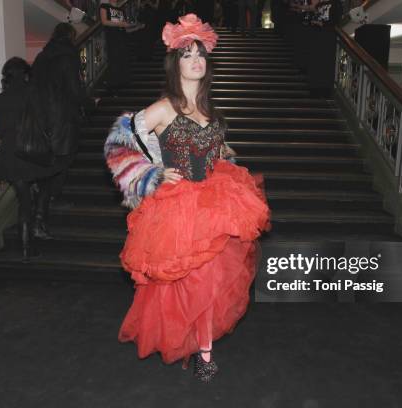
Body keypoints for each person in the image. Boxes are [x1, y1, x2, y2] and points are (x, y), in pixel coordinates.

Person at [104, 13, 270, 382]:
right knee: (185, 284)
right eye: (186, 54)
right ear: (174, 62)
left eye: (200, 54)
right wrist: (151, 174)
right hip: (178, 208)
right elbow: (119, 141)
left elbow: (212, 146)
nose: (195, 60)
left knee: (209, 281)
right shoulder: (164, 107)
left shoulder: (211, 110)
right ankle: (192, 344)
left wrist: (222, 153)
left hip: (213, 202)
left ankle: (204, 350)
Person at [0, 57, 58, 261]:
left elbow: (0, 130)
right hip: (31, 152)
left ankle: (25, 246)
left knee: (23, 201)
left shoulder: (1, 98)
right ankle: (32, 237)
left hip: (11, 154)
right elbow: (45, 121)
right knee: (46, 182)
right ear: (25, 73)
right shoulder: (33, 93)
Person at [28, 23, 83, 239]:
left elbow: (33, 85)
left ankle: (49, 198)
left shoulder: (42, 57)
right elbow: (73, 87)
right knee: (58, 163)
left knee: (52, 163)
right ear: (70, 36)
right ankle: (41, 216)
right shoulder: (68, 55)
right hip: (62, 118)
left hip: (41, 118)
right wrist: (88, 103)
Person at [100, 0, 143, 95]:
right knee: (114, 59)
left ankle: (122, 82)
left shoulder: (121, 9)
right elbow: (104, 21)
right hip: (112, 38)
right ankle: (113, 84)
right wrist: (120, 24)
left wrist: (135, 27)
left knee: (123, 58)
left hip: (122, 37)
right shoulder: (104, 6)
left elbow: (125, 27)